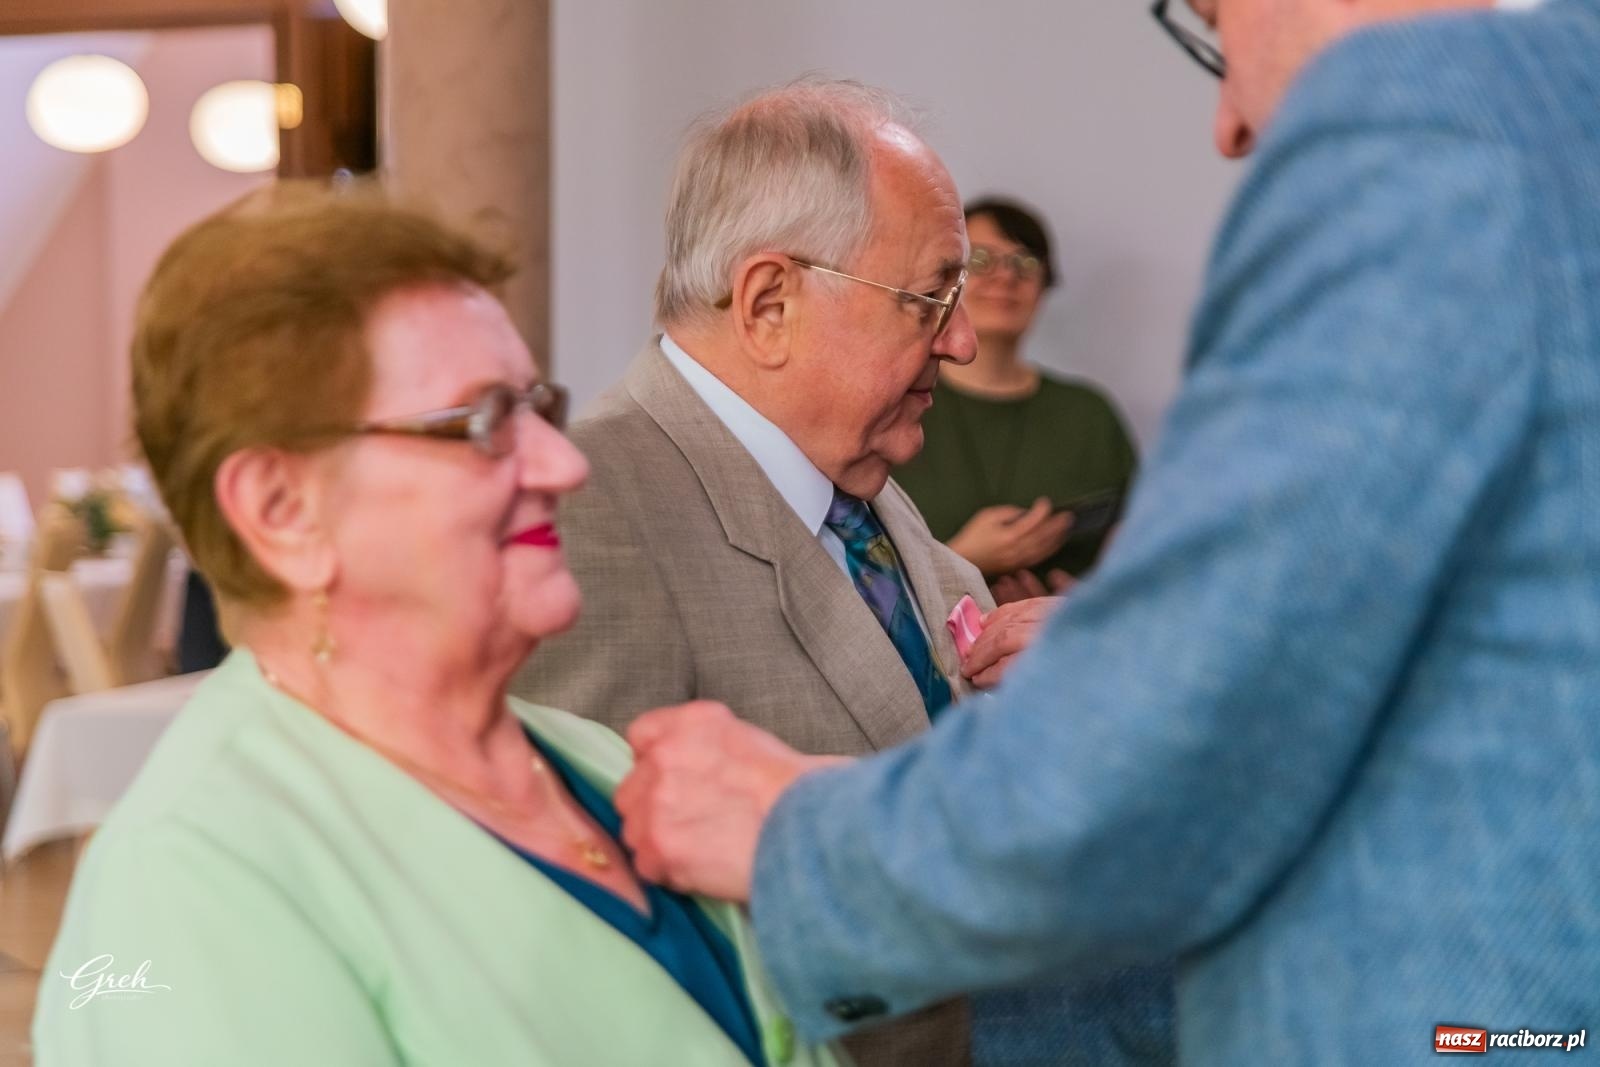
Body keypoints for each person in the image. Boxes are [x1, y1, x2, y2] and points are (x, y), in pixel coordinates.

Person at [611, 0, 1600, 1061]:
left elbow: (1174, 754)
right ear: (766, 304)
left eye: (1215, 25)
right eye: (927, 295)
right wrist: (1128, 663)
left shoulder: (1419, 121)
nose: (1229, 121)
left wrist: (786, 839)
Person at [33, 187, 847, 1067]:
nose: (566, 462)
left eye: (540, 408)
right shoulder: (185, 876)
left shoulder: (602, 762)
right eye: (486, 422)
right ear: (282, 510)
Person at [512, 77, 990, 1067]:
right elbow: (611, 927)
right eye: (930, 296)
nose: (963, 340)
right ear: (769, 302)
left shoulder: (853, 476)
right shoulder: (594, 509)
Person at [895, 199, 1138, 603]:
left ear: (1045, 286)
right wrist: (966, 558)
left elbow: (1141, 558)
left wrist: (1080, 605)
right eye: (983, 260)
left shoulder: (1090, 415)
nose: (1006, 276)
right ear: (945, 281)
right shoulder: (898, 404)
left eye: (1024, 264)